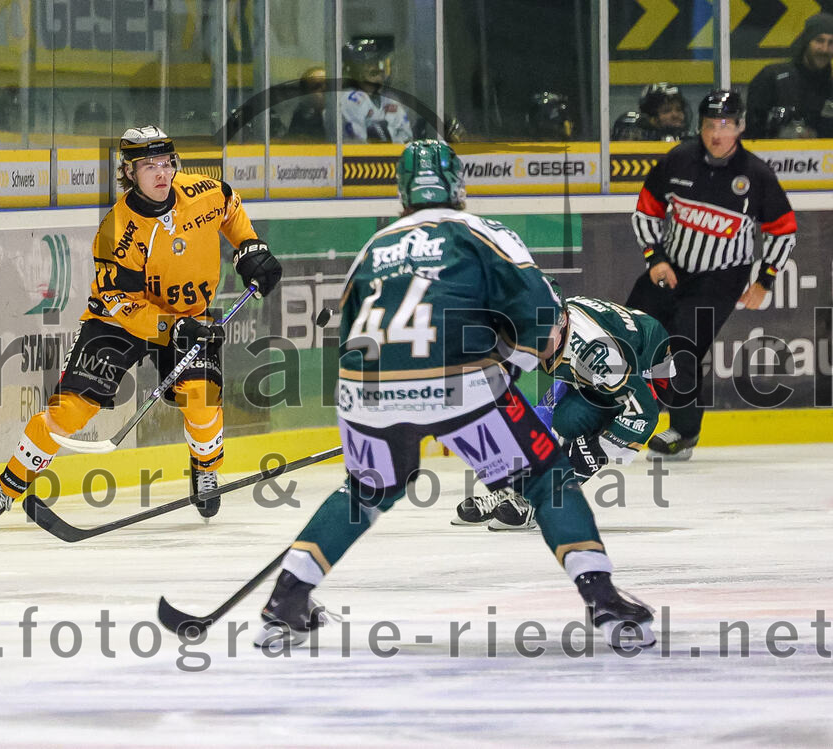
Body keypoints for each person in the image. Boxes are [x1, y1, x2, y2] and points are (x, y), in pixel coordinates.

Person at [252, 139, 656, 651]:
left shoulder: (373, 247)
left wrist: (391, 404)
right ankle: (602, 598)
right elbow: (540, 315)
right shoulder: (482, 232)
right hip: (460, 383)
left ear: (401, 195)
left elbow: (348, 333)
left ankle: (285, 600)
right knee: (547, 478)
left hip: (364, 388)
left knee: (367, 491)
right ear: (459, 188)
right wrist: (505, 371)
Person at [0, 126, 282, 526]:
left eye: (166, 163)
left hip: (188, 315)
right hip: (117, 321)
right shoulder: (116, 232)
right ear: (129, 172)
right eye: (148, 165)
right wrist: (172, 328)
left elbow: (230, 205)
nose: (161, 173)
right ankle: (5, 489)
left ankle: (205, 468)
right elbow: (124, 304)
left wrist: (249, 246)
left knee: (201, 397)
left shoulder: (204, 192)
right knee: (70, 409)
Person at [625, 90, 797, 460]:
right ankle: (611, 412)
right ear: (699, 127)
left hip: (720, 280)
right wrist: (655, 258)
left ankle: (684, 434)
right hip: (671, 267)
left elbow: (783, 229)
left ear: (740, 127)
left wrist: (764, 280)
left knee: (684, 349)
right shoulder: (680, 159)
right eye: (709, 125)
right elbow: (645, 209)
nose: (716, 134)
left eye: (725, 125)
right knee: (630, 331)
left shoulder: (755, 175)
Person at [453, 292, 674, 530]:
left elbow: (643, 411)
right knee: (546, 418)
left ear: (562, 323)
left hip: (647, 371)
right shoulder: (545, 330)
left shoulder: (595, 351)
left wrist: (598, 450)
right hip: (598, 369)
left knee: (579, 437)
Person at [746, 13, 833, 138]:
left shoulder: (830, 88)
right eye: (819, 41)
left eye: (831, 43)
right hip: (772, 156)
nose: (825, 49)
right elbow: (752, 134)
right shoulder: (772, 78)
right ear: (806, 42)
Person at [341, 36, 413, 143]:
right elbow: (362, 145)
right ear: (354, 69)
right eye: (368, 63)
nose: (377, 67)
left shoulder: (390, 100)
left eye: (379, 62)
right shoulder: (348, 98)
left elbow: (407, 139)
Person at [611, 83, 690, 142]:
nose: (675, 115)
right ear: (651, 117)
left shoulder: (689, 142)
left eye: (679, 109)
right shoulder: (641, 141)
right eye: (666, 111)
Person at [286, 66, 329, 141]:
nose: (325, 90)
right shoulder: (300, 122)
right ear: (306, 94)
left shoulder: (346, 115)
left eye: (328, 85)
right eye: (317, 86)